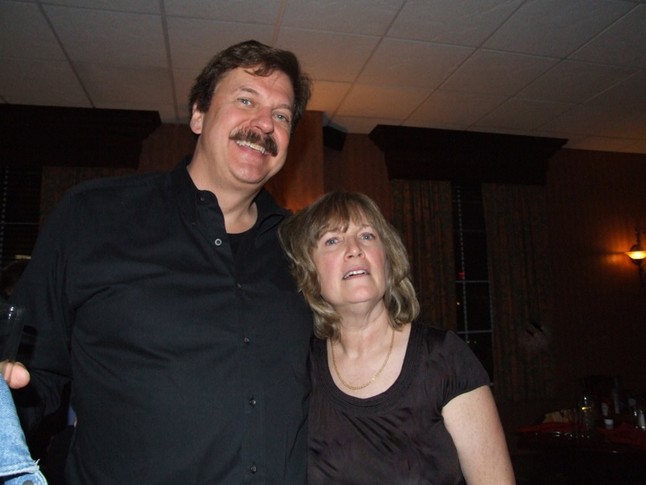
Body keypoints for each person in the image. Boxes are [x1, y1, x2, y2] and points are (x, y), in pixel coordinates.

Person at [6, 40, 313, 484]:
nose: (265, 123)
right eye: (246, 100)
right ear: (198, 114)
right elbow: (32, 374)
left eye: (281, 116)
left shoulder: (303, 250)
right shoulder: (94, 216)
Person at [279, 191, 515, 484]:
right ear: (311, 273)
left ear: (388, 260)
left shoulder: (444, 357)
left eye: (367, 236)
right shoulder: (301, 369)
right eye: (332, 240)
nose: (355, 249)